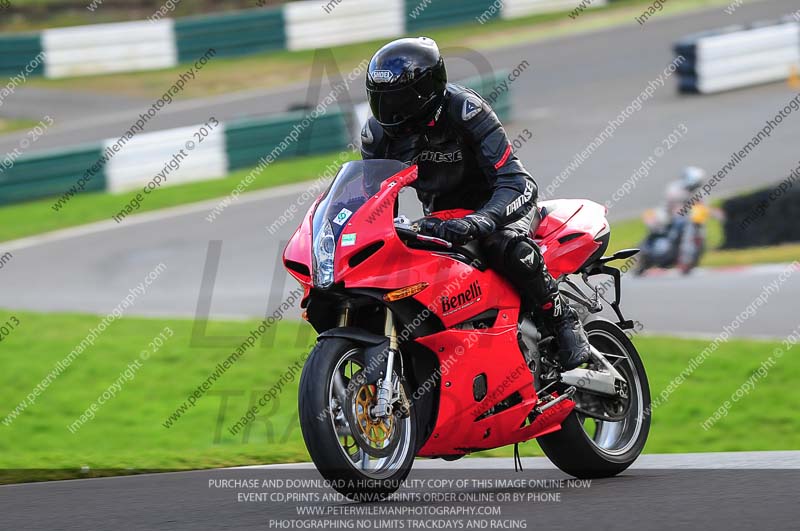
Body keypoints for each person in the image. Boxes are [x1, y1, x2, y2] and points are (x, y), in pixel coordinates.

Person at [360, 37, 589, 370]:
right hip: (441, 218)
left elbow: (516, 181)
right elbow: (373, 201)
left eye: (398, 100)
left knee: (502, 244)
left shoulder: (465, 110)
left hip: (500, 206)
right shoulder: (377, 135)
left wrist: (481, 220)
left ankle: (563, 321)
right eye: (383, 100)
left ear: (426, 90)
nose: (390, 111)